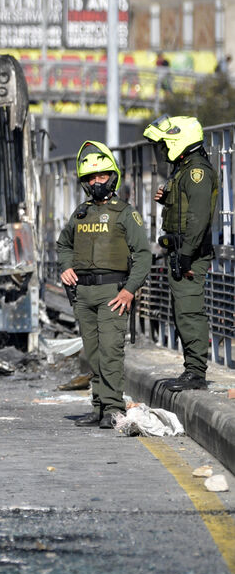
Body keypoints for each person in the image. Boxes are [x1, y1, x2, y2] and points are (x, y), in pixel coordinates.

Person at [56, 141, 151, 428]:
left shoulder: (125, 212)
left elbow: (143, 254)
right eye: (90, 178)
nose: (97, 182)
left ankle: (112, 408)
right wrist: (66, 267)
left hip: (113, 292)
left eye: (102, 176)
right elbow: (64, 245)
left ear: (113, 177)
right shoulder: (80, 213)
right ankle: (98, 408)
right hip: (83, 293)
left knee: (111, 352)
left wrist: (129, 290)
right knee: (93, 353)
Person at [144, 115, 219, 391]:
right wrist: (168, 199)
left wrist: (186, 254)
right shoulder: (184, 169)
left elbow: (198, 218)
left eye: (164, 144)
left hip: (190, 253)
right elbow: (186, 207)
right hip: (180, 250)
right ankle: (191, 369)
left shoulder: (196, 171)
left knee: (189, 312)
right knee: (181, 311)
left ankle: (196, 373)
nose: (162, 151)